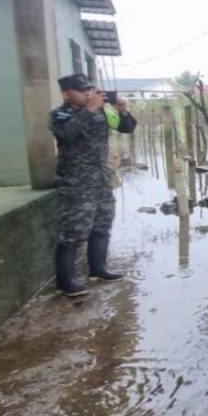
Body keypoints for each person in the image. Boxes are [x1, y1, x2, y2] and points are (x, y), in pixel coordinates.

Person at [50, 73, 137, 297]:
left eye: (91, 89)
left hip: (100, 178)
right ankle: (65, 282)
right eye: (82, 90)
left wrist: (123, 111)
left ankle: (98, 269)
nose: (89, 94)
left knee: (102, 224)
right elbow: (67, 134)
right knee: (74, 231)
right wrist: (88, 110)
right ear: (66, 93)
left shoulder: (102, 111)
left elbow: (126, 128)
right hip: (76, 181)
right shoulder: (60, 114)